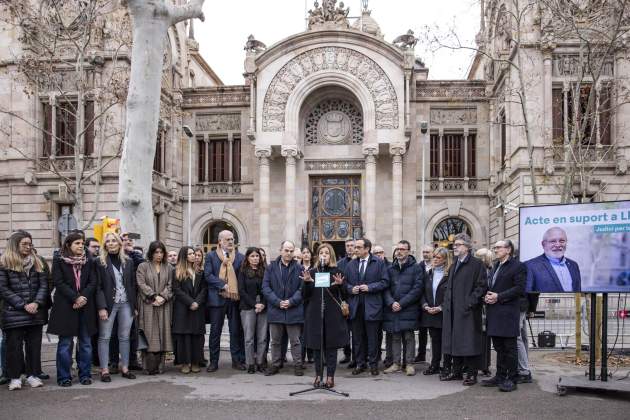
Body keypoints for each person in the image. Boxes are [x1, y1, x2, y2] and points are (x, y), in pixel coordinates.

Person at [0, 231, 48, 390]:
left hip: (35, 312)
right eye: (24, 244)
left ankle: (33, 375)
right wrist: (23, 304)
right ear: (15, 245)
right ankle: (14, 378)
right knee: (13, 347)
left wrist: (37, 302)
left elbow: (44, 285)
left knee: (34, 346)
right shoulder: (4, 262)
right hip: (14, 312)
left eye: (30, 244)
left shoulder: (37, 262)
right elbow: (3, 289)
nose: (28, 247)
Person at [48, 233, 98, 387]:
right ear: (68, 244)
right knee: (65, 344)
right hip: (66, 307)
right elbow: (59, 282)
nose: (81, 245)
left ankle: (85, 375)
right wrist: (75, 298)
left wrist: (82, 297)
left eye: (82, 243)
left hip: (85, 307)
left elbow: (93, 281)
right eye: (77, 243)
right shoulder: (59, 260)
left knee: (85, 343)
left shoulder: (89, 260)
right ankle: (64, 377)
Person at [442, 233, 487, 386]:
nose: (455, 246)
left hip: (467, 311)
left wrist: (469, 303)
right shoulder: (455, 263)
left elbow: (481, 286)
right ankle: (457, 372)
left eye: (459, 244)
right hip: (453, 311)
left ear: (467, 247)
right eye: (454, 244)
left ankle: (472, 374)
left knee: (469, 343)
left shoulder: (476, 264)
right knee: (454, 342)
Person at [301, 243, 348, 389]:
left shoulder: (337, 271)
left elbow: (345, 295)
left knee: (331, 348)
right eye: (321, 253)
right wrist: (307, 283)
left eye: (327, 253)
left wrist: (340, 285)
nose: (324, 255)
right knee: (317, 347)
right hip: (315, 313)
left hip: (332, 315)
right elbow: (305, 296)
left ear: (331, 256)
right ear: (318, 256)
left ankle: (330, 377)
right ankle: (318, 375)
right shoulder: (312, 272)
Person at [482, 239, 526, 392]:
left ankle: (512, 378)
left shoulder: (518, 266)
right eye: (494, 247)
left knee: (510, 347)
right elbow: (493, 286)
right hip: (494, 312)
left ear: (508, 250)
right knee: (499, 347)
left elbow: (519, 289)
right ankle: (500, 376)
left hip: (508, 312)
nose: (495, 250)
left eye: (498, 247)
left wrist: (498, 296)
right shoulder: (496, 266)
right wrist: (487, 296)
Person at [95, 232, 137, 382]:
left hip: (126, 303)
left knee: (125, 337)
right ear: (104, 245)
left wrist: (134, 306)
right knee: (105, 337)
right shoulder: (99, 262)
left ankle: (125, 368)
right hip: (108, 304)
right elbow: (98, 287)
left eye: (114, 241)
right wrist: (101, 307)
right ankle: (104, 370)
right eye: (108, 241)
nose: (111, 243)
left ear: (119, 243)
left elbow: (132, 285)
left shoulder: (128, 261)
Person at [344, 238, 389, 376]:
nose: (355, 249)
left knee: (372, 338)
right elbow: (344, 284)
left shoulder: (379, 263)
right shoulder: (351, 264)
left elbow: (385, 282)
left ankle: (373, 365)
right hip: (355, 307)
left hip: (372, 306)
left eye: (358, 247)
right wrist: (351, 289)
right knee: (357, 338)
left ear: (367, 249)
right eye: (355, 247)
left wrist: (369, 287)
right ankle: (360, 363)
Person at [204, 230, 246, 372]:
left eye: (232, 239)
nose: (230, 241)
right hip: (217, 299)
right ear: (220, 241)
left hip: (234, 300)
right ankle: (214, 362)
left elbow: (242, 277)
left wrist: (235, 287)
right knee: (215, 332)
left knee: (235, 331)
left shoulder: (240, 257)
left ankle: (237, 360)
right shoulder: (211, 256)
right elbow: (208, 275)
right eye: (227, 239)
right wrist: (222, 284)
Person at [262, 240, 304, 376]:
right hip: (276, 309)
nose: (289, 253)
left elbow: (302, 289)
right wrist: (278, 302)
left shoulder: (300, 268)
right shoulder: (271, 267)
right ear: (280, 250)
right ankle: (275, 364)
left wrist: (291, 301)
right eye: (286, 250)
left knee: (295, 341)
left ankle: (298, 365)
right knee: (275, 341)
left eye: (291, 251)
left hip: (293, 309)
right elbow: (266, 288)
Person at [383, 240, 423, 376]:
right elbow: (385, 288)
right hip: (393, 308)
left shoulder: (416, 268)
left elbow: (417, 289)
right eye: (397, 249)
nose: (399, 251)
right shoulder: (390, 268)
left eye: (402, 249)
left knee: (408, 337)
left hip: (408, 308)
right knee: (395, 336)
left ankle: (409, 364)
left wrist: (402, 303)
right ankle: (396, 363)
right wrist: (391, 302)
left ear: (409, 251)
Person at [136, 241, 173, 375]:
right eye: (156, 252)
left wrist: (163, 297)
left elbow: (170, 285)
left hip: (164, 305)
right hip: (148, 304)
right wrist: (153, 296)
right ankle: (148, 366)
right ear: (151, 253)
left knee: (163, 333)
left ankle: (160, 366)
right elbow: (141, 284)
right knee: (149, 333)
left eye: (161, 252)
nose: (159, 255)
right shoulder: (143, 266)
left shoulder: (168, 267)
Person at [172, 246, 207, 374]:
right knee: (184, 336)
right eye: (191, 254)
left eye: (194, 253)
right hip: (183, 308)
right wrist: (190, 302)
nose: (194, 256)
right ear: (184, 256)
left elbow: (204, 289)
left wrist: (197, 302)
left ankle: (196, 361)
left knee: (196, 336)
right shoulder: (176, 271)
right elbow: (177, 290)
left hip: (197, 308)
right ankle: (185, 362)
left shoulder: (200, 271)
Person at [238, 247, 268, 374]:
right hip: (247, 307)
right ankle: (250, 363)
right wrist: (254, 305)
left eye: (257, 256)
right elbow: (241, 291)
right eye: (252, 256)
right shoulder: (243, 271)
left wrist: (262, 304)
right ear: (248, 258)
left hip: (263, 307)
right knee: (249, 338)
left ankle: (260, 362)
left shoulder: (265, 270)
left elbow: (268, 289)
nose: (255, 258)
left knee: (262, 337)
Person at [420, 247, 449, 376]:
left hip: (444, 312)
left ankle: (447, 365)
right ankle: (435, 365)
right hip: (430, 311)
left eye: (438, 258)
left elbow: (451, 294)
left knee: (446, 340)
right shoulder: (428, 273)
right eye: (434, 257)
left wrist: (441, 307)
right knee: (435, 339)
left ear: (445, 260)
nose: (435, 260)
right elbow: (422, 292)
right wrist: (425, 305)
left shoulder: (450, 274)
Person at [526, 227, 581, 292]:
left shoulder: (573, 265)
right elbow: (526, 296)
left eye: (562, 241)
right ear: (543, 244)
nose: (558, 245)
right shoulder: (530, 266)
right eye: (553, 241)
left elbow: (578, 294)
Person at [475, 247, 494, 377]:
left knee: (485, 338)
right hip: (478, 307)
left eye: (481, 257)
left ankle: (485, 365)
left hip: (487, 309)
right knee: (477, 337)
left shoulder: (491, 271)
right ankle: (476, 365)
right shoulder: (477, 271)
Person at [336, 239, 355, 365]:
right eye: (347, 246)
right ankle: (347, 354)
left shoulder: (358, 262)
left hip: (356, 299)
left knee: (357, 331)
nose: (349, 248)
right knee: (345, 330)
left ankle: (357, 357)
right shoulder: (340, 263)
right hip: (344, 300)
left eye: (352, 246)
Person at [415, 245, 434, 364]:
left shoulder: (438, 267)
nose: (425, 254)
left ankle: (435, 358)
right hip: (421, 303)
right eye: (423, 252)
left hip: (434, 304)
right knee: (422, 331)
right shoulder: (419, 266)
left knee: (434, 333)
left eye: (427, 252)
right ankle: (421, 354)